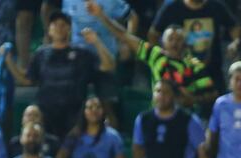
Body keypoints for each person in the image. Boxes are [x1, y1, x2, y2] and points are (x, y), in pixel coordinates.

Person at [1, 12, 115, 139]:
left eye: (63, 25)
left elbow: (108, 65)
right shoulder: (41, 54)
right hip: (47, 117)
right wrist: (9, 61)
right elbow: (27, 80)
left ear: (70, 29)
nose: (59, 28)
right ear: (49, 30)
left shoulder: (82, 54)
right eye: (55, 25)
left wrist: (96, 41)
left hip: (74, 117)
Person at [86, 1, 214, 105]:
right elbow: (124, 35)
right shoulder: (155, 55)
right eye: (170, 39)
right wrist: (101, 16)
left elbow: (212, 95)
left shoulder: (194, 65)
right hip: (157, 112)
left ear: (185, 43)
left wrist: (193, 100)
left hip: (185, 114)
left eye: (179, 39)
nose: (175, 43)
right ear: (163, 42)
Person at [148, 0, 238, 93]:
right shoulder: (172, 7)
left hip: (213, 71)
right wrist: (162, 55)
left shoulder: (216, 6)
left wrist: (236, 43)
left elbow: (234, 27)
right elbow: (153, 34)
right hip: (181, 75)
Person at [132, 80, 204, 158]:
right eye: (158, 91)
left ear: (174, 95)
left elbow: (202, 151)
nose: (161, 95)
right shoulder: (143, 119)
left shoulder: (188, 119)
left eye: (166, 92)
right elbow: (137, 148)